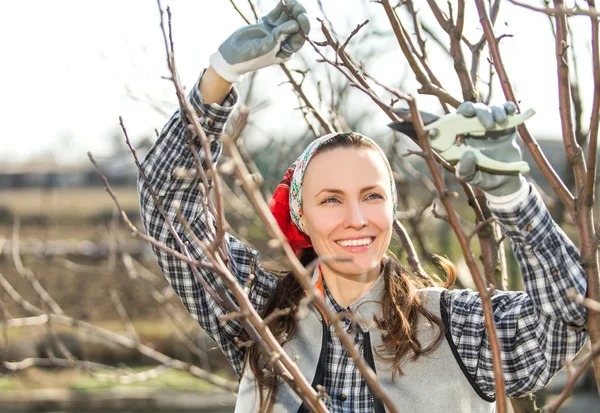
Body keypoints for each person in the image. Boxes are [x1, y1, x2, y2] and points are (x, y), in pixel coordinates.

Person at [138, 2, 588, 412]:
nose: (357, 217)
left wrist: (512, 195)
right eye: (330, 199)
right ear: (301, 216)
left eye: (372, 196)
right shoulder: (259, 313)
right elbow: (168, 211)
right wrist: (218, 79)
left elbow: (567, 321)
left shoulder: (456, 329)